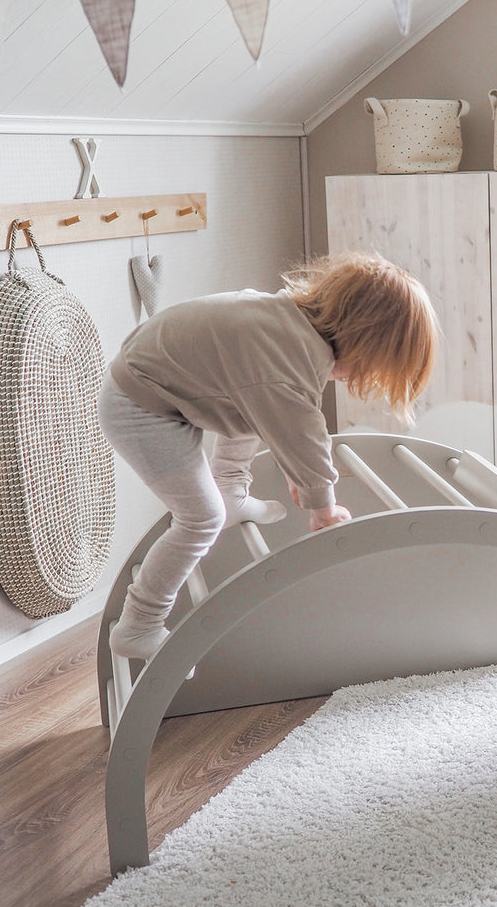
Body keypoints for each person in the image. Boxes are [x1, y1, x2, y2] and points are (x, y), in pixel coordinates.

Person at [98, 250, 439, 662]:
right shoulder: (288, 360)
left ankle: (231, 491)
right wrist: (322, 508)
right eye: (368, 366)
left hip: (162, 391)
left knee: (251, 410)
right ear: (361, 340)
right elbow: (303, 432)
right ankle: (139, 624)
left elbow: (276, 418)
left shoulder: (283, 325)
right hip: (140, 407)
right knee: (201, 518)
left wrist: (300, 473)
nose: (353, 378)